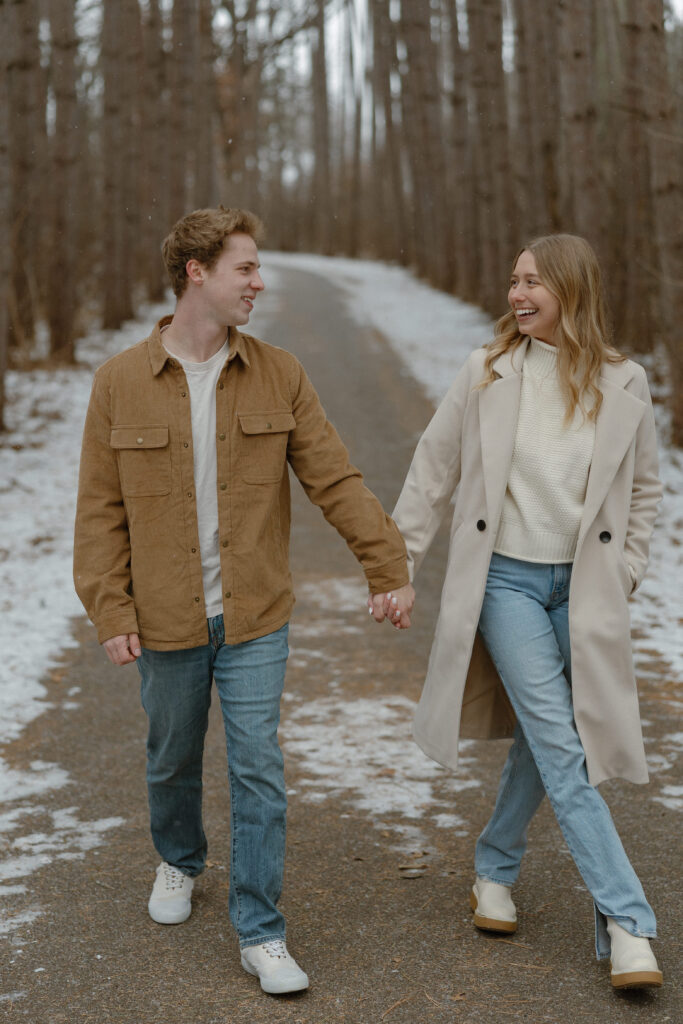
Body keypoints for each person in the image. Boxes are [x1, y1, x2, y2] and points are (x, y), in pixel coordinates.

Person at [73, 206, 415, 995]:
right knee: (172, 757)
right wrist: (110, 608)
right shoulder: (119, 382)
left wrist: (383, 564)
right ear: (197, 273)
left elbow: (332, 476)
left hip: (255, 613)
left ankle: (261, 928)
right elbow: (98, 511)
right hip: (164, 617)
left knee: (258, 765)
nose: (260, 282)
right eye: (246, 269)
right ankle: (180, 858)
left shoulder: (279, 372)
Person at [380, 234, 663, 990]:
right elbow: (433, 469)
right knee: (562, 745)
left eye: (532, 281)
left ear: (570, 289)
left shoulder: (625, 382)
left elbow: (643, 493)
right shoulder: (486, 371)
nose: (516, 293)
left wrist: (624, 572)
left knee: (541, 744)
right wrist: (395, 562)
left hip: (584, 591)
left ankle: (493, 870)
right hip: (505, 583)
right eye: (512, 280)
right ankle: (629, 920)